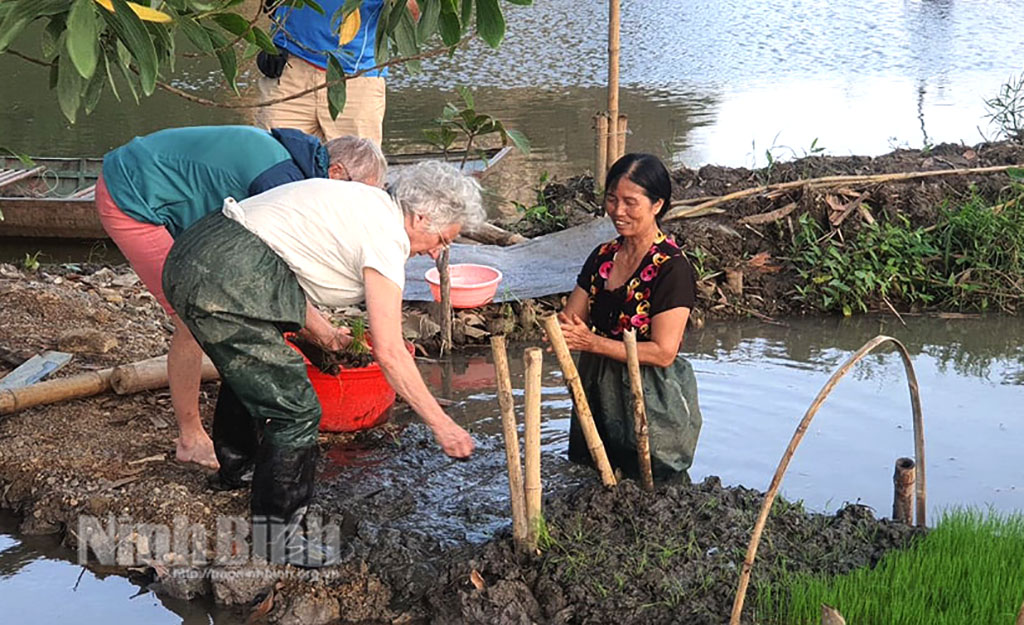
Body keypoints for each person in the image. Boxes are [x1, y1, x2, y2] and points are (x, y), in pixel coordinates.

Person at [162, 161, 481, 566]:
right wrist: (442, 425)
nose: (437, 251)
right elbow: (391, 350)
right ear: (421, 216)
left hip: (197, 251)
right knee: (296, 410)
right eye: (441, 238)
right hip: (226, 275)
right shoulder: (386, 238)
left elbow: (283, 262)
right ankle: (277, 539)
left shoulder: (366, 202)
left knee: (251, 369)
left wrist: (326, 335)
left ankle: (237, 470)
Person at [97, 126, 387, 470]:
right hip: (132, 194)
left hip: (172, 191)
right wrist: (325, 333)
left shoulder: (295, 164)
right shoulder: (281, 180)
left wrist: (318, 328)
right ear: (336, 172)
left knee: (229, 302)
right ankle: (190, 439)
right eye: (359, 197)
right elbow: (271, 272)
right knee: (192, 319)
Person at [558, 153, 702, 482]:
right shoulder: (603, 256)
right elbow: (571, 318)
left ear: (657, 205)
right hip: (597, 383)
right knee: (592, 471)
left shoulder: (671, 268)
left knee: (655, 481)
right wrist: (563, 333)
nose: (617, 212)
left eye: (630, 202)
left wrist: (592, 342)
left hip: (649, 391)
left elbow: (664, 352)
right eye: (611, 199)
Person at [257, 0, 419, 144]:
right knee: (275, 165)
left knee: (354, 171)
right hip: (290, 69)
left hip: (358, 77)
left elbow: (413, 14)